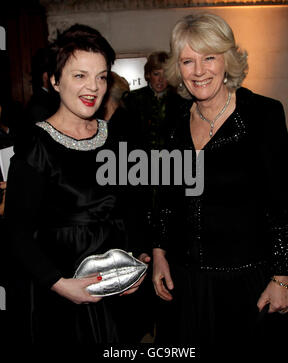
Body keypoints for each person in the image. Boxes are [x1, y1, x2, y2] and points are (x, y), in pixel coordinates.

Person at [152, 13, 288, 356]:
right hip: (186, 284)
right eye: (188, 60)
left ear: (227, 60)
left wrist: (282, 278)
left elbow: (281, 203)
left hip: (246, 281)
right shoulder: (173, 124)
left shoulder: (263, 114)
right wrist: (158, 254)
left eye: (209, 57)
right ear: (179, 69)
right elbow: (165, 199)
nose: (199, 70)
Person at [4, 24, 149, 350]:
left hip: (117, 291)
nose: (93, 87)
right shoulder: (35, 147)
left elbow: (133, 208)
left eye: (101, 76)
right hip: (63, 295)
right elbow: (17, 232)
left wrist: (138, 263)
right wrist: (59, 285)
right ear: (55, 81)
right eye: (80, 76)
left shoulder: (115, 138)